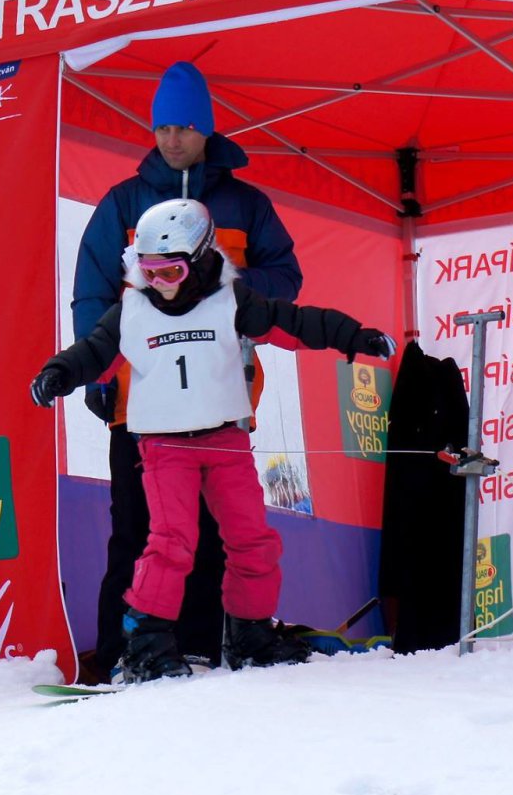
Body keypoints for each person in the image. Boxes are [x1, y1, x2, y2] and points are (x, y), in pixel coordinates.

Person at [33, 198, 394, 681]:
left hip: (226, 442)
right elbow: (93, 352)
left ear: (202, 259)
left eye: (171, 272)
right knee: (171, 542)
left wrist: (353, 337)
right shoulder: (133, 311)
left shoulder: (231, 301)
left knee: (252, 540)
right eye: (148, 272)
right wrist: (60, 373)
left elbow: (294, 323)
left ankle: (250, 633)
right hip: (163, 449)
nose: (159, 285)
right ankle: (147, 642)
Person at [71, 60, 304, 678]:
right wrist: (99, 375)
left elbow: (286, 279)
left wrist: (220, 281)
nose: (170, 139)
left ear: (206, 129)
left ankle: (197, 648)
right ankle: (123, 654)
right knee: (138, 530)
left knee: (212, 531)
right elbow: (92, 292)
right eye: (162, 127)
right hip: (140, 400)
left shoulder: (245, 205)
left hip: (220, 395)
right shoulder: (123, 202)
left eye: (183, 127)